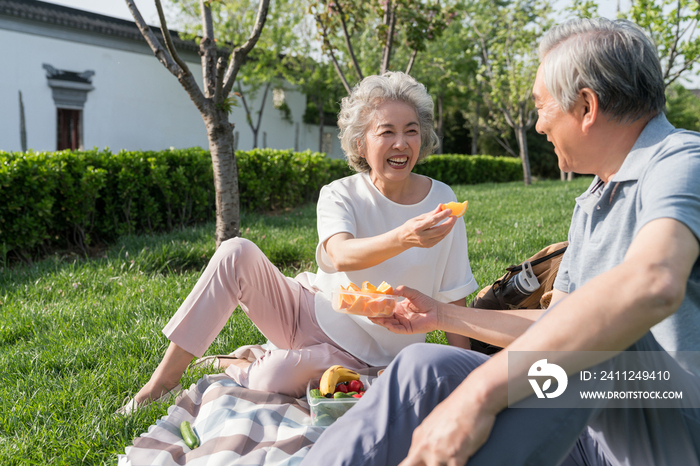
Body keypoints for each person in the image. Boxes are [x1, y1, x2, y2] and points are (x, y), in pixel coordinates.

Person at [301, 18, 700, 466]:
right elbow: (552, 326)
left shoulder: (681, 161)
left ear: (586, 107)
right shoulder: (593, 199)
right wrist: (441, 314)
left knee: (603, 334)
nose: (537, 124)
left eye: (542, 106)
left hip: (670, 431)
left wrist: (481, 395)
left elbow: (652, 286)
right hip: (586, 428)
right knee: (423, 365)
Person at [118, 71, 478, 413]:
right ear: (360, 143)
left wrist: (467, 374)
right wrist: (404, 237)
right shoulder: (340, 194)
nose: (401, 143)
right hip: (308, 311)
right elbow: (339, 255)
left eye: (411, 131)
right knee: (236, 251)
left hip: (370, 358)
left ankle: (243, 363)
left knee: (267, 379)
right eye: (386, 132)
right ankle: (162, 382)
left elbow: (452, 293)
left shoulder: (441, 202)